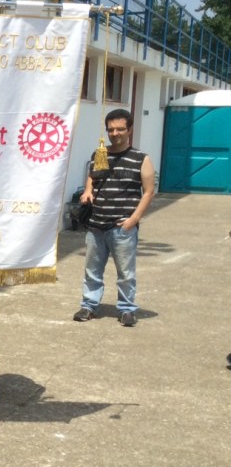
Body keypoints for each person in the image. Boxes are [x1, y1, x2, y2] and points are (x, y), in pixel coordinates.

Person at [72, 108, 155, 327]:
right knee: (92, 271)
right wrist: (88, 190)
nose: (115, 133)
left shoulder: (140, 159)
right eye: (111, 129)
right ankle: (89, 306)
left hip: (122, 227)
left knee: (126, 273)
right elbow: (93, 176)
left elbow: (148, 191)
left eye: (120, 129)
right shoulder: (100, 154)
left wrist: (133, 220)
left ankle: (127, 309)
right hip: (96, 225)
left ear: (129, 130)